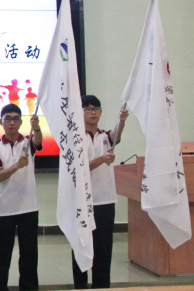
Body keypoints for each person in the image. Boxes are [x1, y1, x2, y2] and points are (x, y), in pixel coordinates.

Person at [72, 95, 128, 289]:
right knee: (81, 246)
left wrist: (122, 119)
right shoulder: (75, 138)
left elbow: (116, 135)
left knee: (103, 248)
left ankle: (101, 286)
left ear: (101, 112)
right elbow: (79, 169)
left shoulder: (106, 137)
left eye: (96, 109)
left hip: (105, 201)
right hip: (82, 201)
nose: (93, 112)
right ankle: (80, 286)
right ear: (80, 112)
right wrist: (101, 159)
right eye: (88, 109)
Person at [0, 103, 43, 291]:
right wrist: (17, 166)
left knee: (29, 255)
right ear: (1, 122)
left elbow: (38, 141)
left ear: (21, 122)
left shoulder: (27, 142)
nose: (12, 123)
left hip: (28, 207)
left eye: (16, 119)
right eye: (8, 119)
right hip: (4, 209)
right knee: (2, 256)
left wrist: (36, 127)